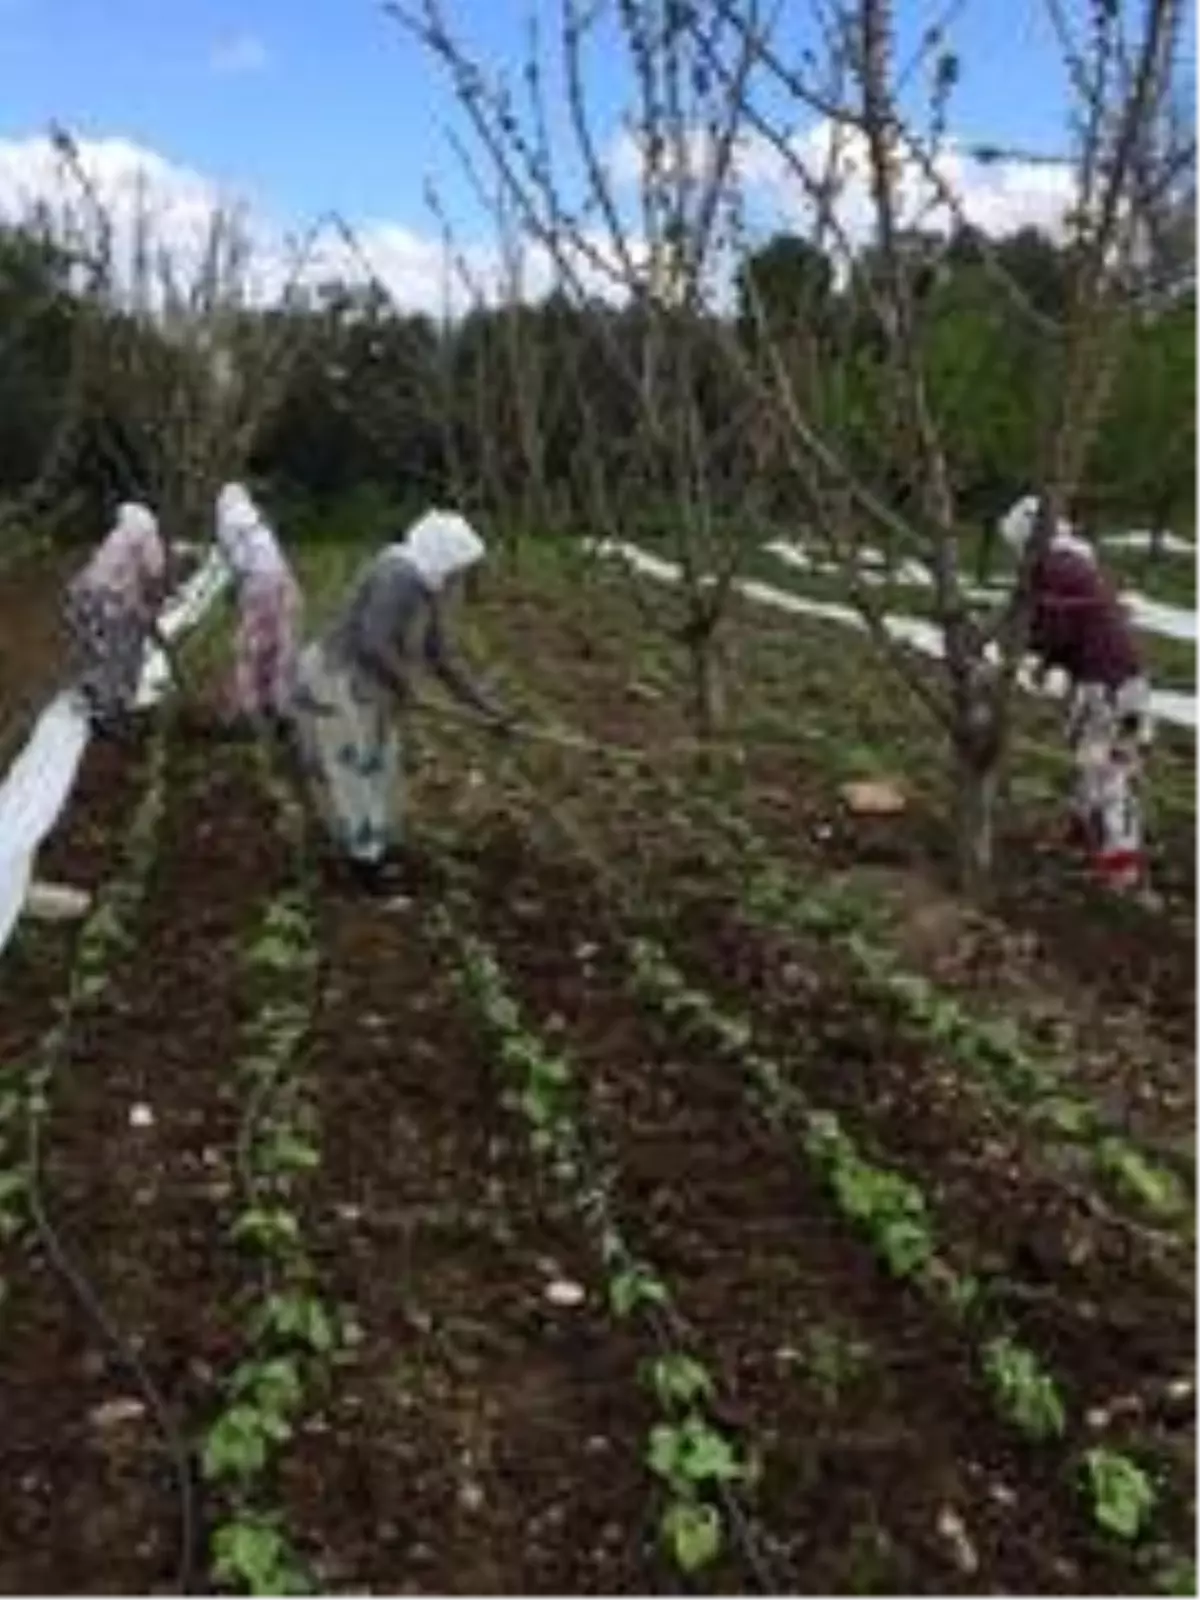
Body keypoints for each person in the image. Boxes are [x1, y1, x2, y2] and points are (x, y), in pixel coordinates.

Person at [293, 508, 514, 888]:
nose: (464, 578)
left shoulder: (430, 588)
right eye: (462, 568)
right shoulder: (397, 574)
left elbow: (443, 658)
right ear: (445, 556)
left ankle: (379, 846)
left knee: (381, 764)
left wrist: (488, 709)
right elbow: (372, 640)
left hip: (374, 685)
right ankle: (364, 868)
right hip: (337, 679)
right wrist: (407, 686)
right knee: (353, 768)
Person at [999, 494, 1153, 896]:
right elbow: (1073, 626)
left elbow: (1057, 630)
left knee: (1106, 767)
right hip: (1123, 679)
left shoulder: (1054, 567)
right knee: (1100, 762)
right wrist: (1047, 660)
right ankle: (1086, 838)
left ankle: (1119, 866)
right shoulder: (1076, 562)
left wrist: (1028, 647)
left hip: (1107, 685)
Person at [62, 500, 176, 736]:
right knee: (123, 653)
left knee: (99, 649)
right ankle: (109, 712)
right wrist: (152, 606)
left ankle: (95, 687)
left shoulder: (117, 537)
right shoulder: (148, 539)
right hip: (112, 605)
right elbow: (154, 575)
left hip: (84, 598)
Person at [214, 482, 303, 735]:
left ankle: (248, 710)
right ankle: (280, 705)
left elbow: (240, 563)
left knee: (249, 649)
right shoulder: (255, 519)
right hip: (282, 580)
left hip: (257, 583)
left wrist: (235, 590)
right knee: (280, 644)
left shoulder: (228, 522)